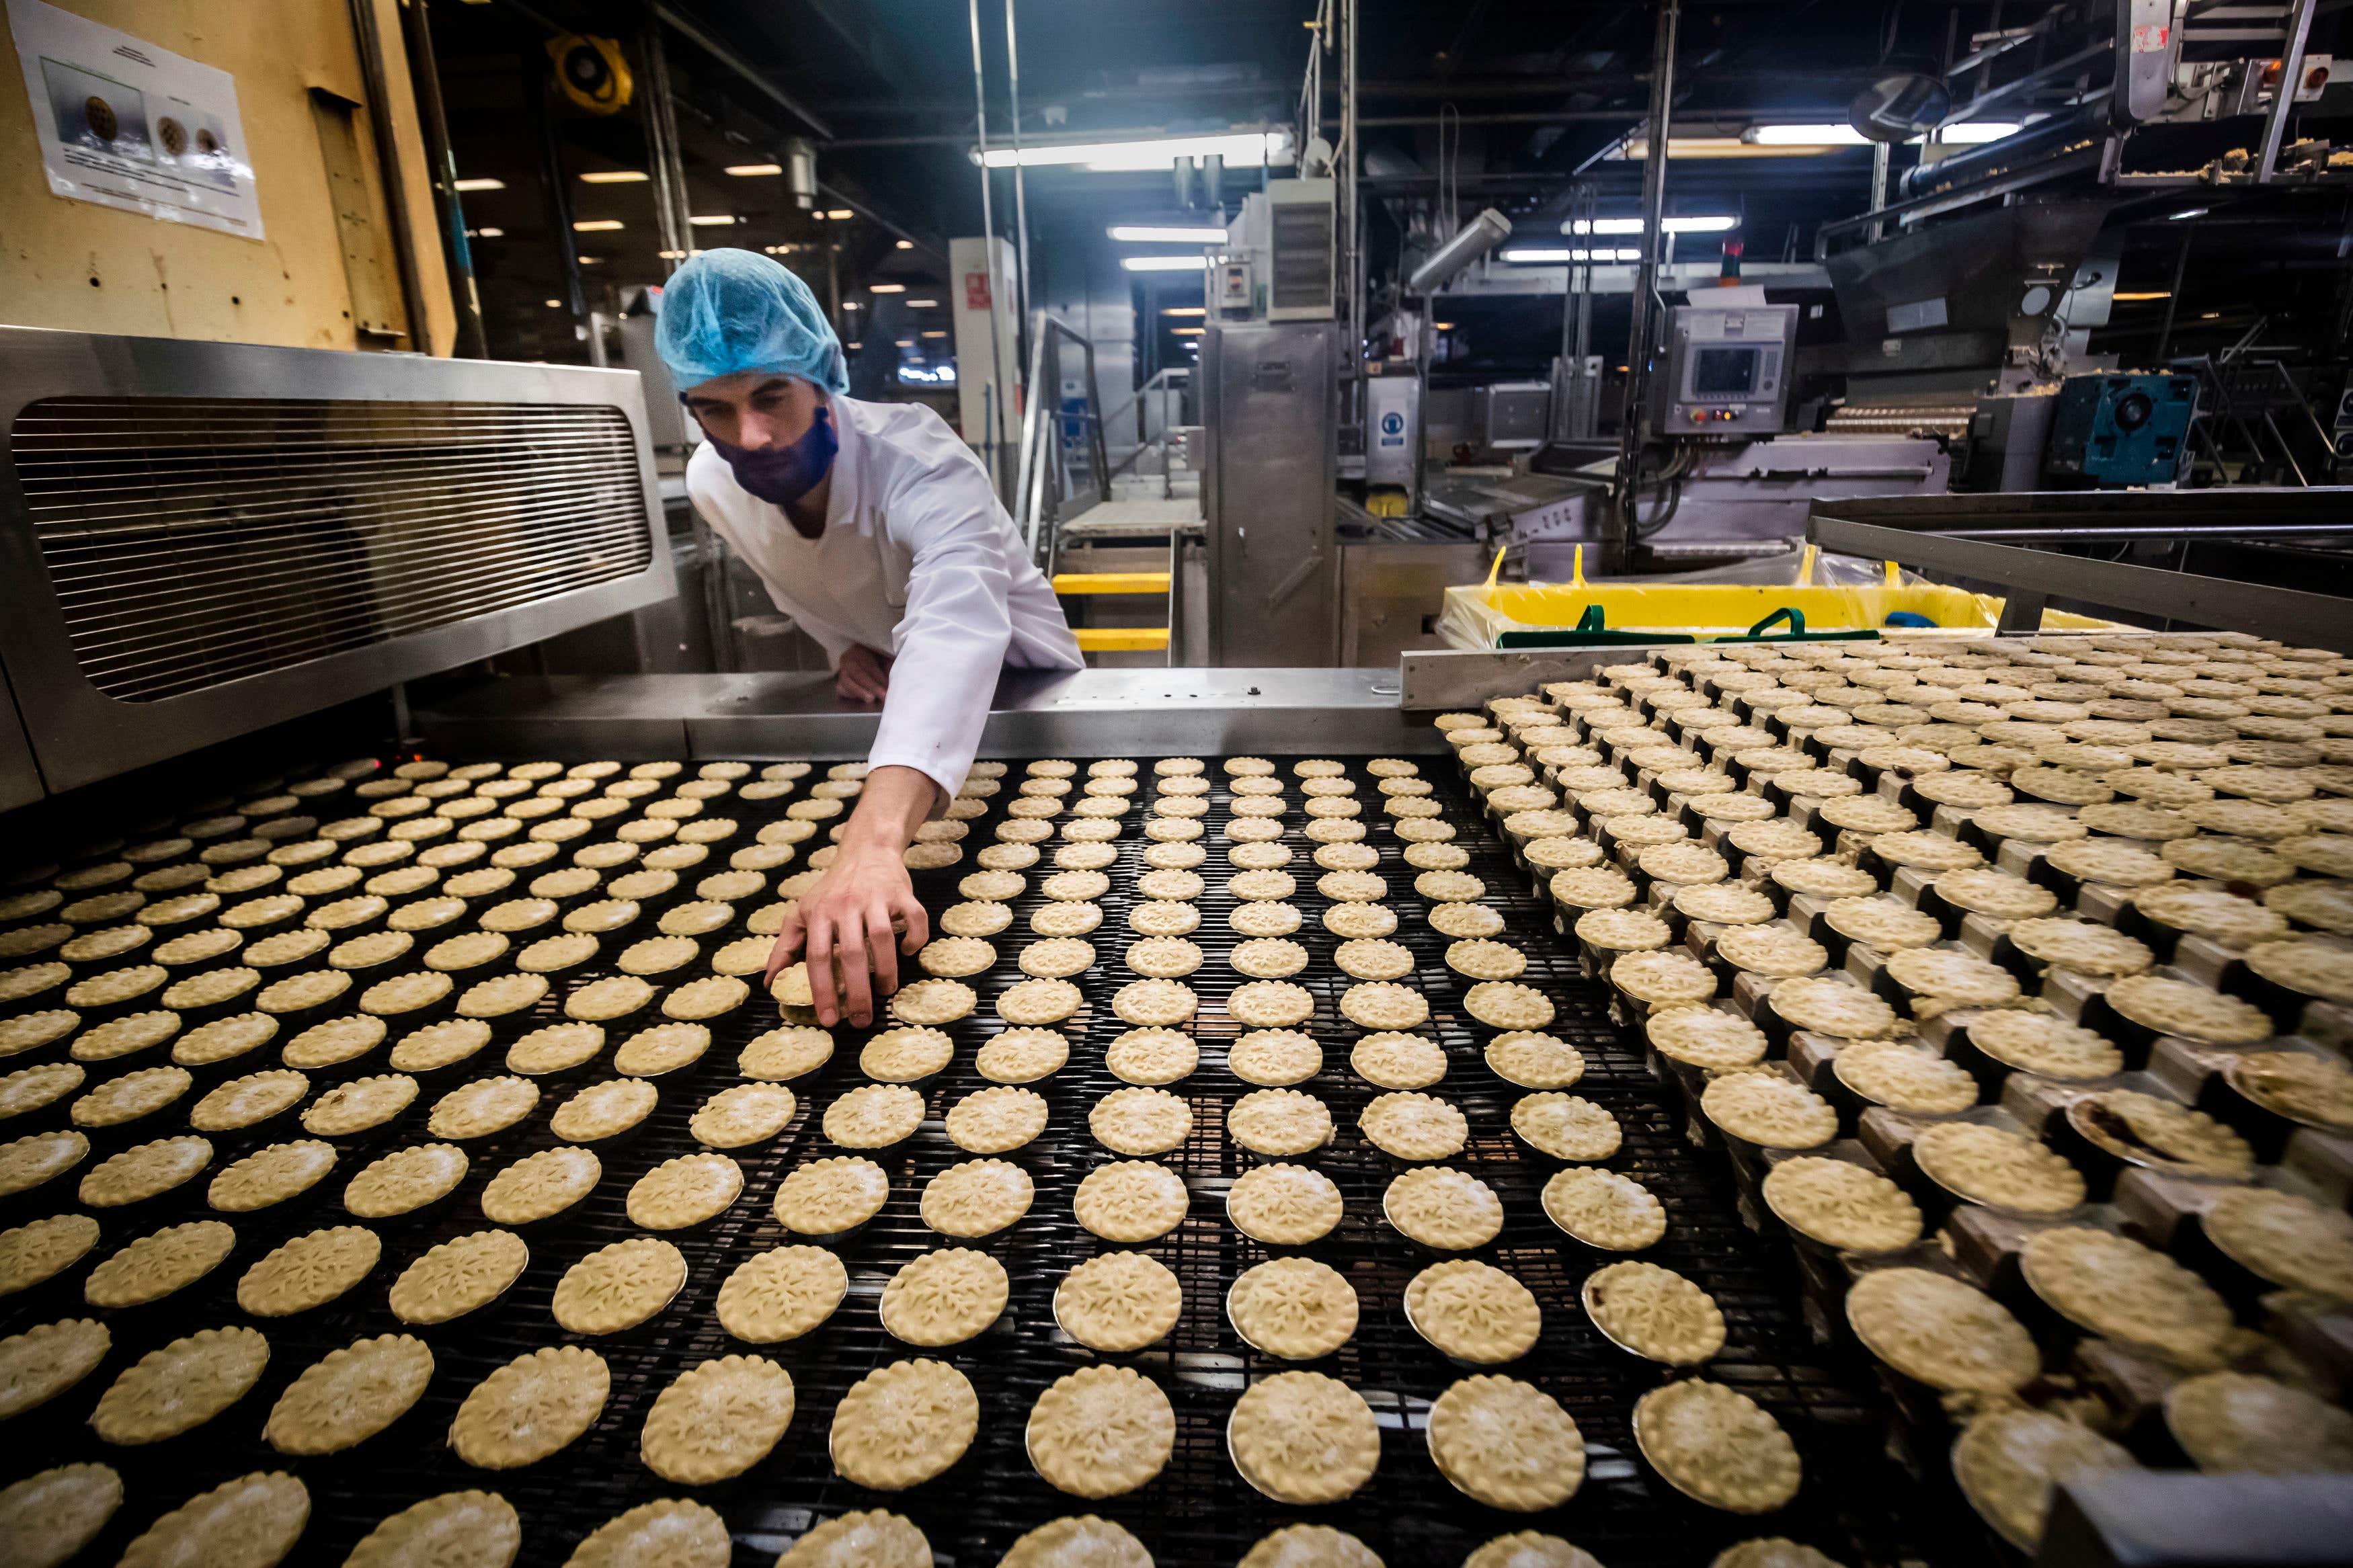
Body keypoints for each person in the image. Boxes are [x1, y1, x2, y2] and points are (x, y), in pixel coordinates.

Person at [657, 248, 1082, 1029]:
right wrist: (836, 647)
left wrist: (869, 847)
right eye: (712, 409)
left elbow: (955, 618)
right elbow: (794, 577)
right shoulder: (713, 483)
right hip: (899, 711)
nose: (749, 436)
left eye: (770, 396)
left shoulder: (921, 460)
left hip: (1024, 699)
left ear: (820, 377)